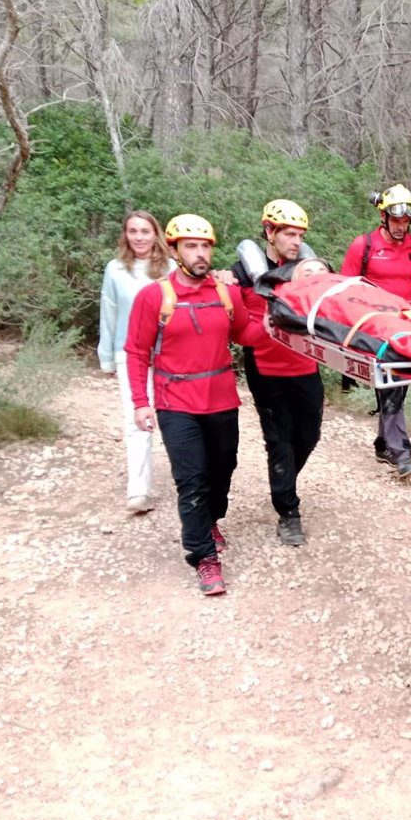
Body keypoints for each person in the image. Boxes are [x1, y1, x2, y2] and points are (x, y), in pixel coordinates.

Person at [124, 214, 264, 596]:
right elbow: (136, 352)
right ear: (174, 249)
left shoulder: (225, 291)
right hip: (175, 401)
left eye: (205, 246)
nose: (200, 253)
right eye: (191, 246)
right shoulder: (155, 296)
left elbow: (245, 333)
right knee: (192, 481)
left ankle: (211, 520)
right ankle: (203, 557)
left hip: (220, 398)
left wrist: (277, 325)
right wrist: (140, 402)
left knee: (222, 471)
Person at [230, 200, 324, 546]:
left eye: (300, 235)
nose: (296, 241)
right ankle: (288, 512)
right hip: (265, 369)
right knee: (279, 441)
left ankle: (283, 482)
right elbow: (233, 323)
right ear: (269, 231)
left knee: (309, 435)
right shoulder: (242, 272)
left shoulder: (307, 269)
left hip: (305, 365)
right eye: (288, 234)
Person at [341, 183, 411, 478]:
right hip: (373, 322)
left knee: (403, 377)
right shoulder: (363, 245)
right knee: (395, 377)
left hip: (407, 321)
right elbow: (344, 288)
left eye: (406, 221)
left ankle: (383, 443)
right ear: (384, 217)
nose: (401, 226)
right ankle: (401, 452)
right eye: (396, 220)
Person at [98, 211, 175, 513]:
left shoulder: (171, 267)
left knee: (175, 419)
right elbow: (109, 314)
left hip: (168, 353)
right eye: (133, 231)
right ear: (125, 235)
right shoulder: (115, 269)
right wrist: (107, 358)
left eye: (145, 231)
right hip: (129, 354)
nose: (139, 237)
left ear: (156, 234)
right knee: (137, 419)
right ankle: (138, 490)